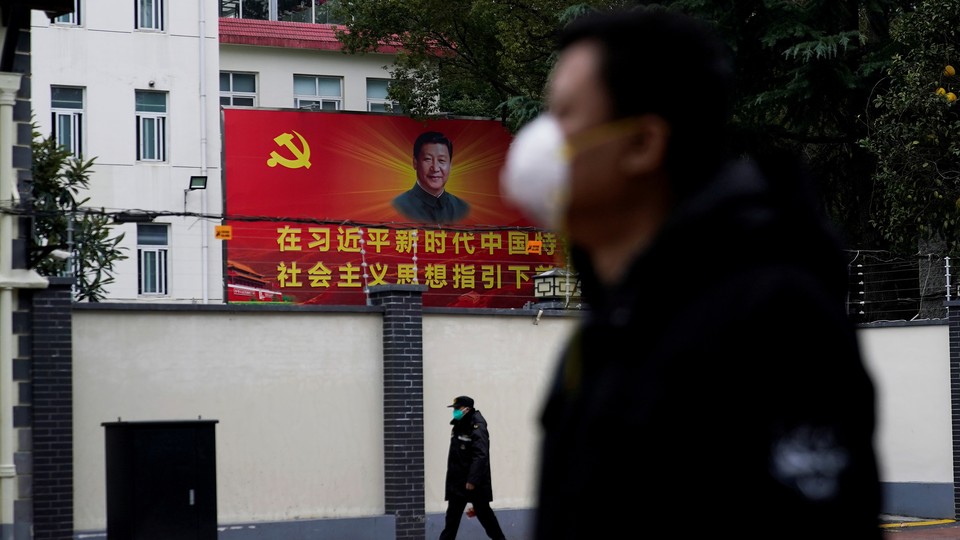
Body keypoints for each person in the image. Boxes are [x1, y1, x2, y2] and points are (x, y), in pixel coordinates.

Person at [499, 7, 882, 539]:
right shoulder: (606, 332)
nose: (538, 140)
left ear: (643, 144)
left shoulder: (776, 317)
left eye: (565, 114)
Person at [439, 395, 507, 540]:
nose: (455, 411)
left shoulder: (477, 425)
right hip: (458, 483)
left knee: (488, 521)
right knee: (451, 523)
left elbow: (480, 455)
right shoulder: (459, 424)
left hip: (473, 484)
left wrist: (472, 480)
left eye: (457, 408)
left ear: (466, 409)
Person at [392, 131, 470, 224]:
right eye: (428, 159)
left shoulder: (462, 208)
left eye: (441, 160)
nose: (435, 168)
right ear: (415, 163)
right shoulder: (398, 206)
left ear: (450, 165)